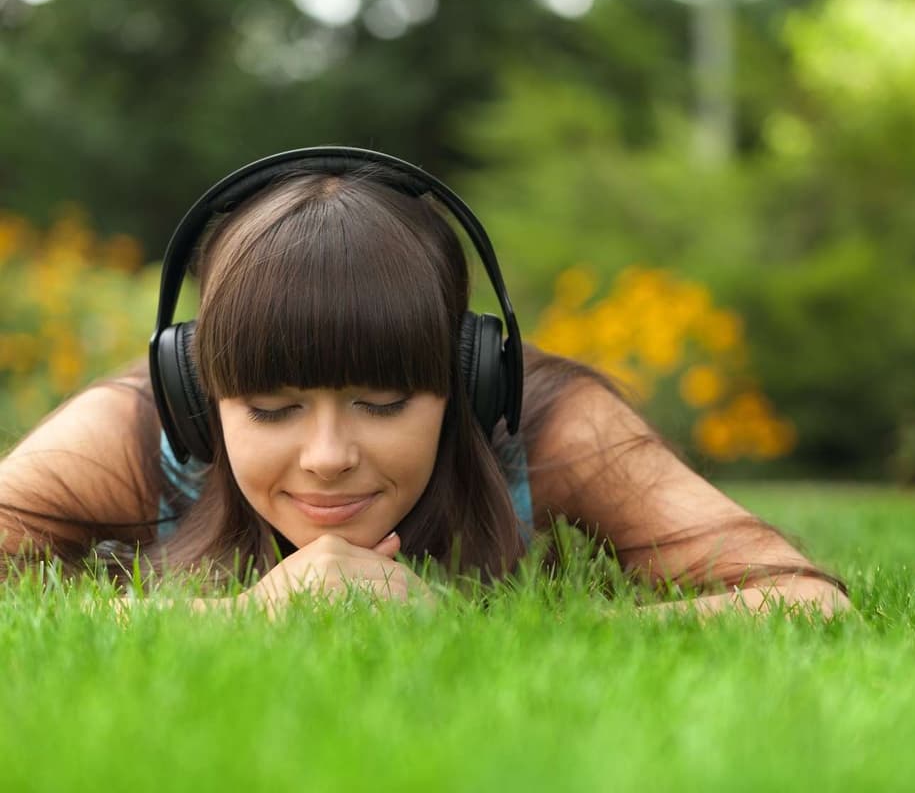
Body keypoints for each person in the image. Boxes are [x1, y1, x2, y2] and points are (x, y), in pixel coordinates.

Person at [0, 147, 849, 617]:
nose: (327, 456)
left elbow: (803, 601)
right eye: (271, 409)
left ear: (471, 381)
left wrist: (487, 628)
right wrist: (228, 617)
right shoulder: (128, 433)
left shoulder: (556, 426)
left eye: (382, 402)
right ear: (197, 397)